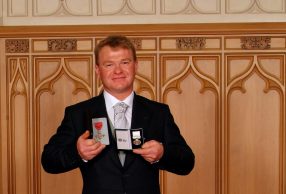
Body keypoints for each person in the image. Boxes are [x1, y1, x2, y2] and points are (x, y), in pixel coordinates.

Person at [41, 35, 195, 194]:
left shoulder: (158, 112)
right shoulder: (78, 114)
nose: (118, 71)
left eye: (125, 62)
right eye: (109, 64)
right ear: (97, 70)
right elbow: (49, 161)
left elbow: (187, 163)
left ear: (135, 66)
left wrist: (162, 154)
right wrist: (78, 153)